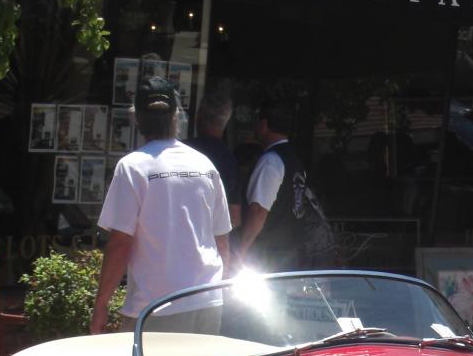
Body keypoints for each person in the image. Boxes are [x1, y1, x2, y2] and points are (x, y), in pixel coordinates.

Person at [90, 77, 234, 335]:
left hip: (156, 306)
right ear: (176, 116)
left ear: (137, 120)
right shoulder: (205, 165)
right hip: (207, 299)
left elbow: (120, 243)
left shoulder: (132, 167)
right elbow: (222, 241)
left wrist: (101, 305)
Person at [236, 101, 336, 269]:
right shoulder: (293, 159)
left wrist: (242, 248)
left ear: (264, 124)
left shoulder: (271, 161)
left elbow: (258, 210)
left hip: (269, 254)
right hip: (291, 250)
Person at [187, 88, 241, 229]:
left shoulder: (178, 151)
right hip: (210, 241)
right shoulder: (230, 161)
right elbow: (234, 218)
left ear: (198, 116)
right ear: (225, 122)